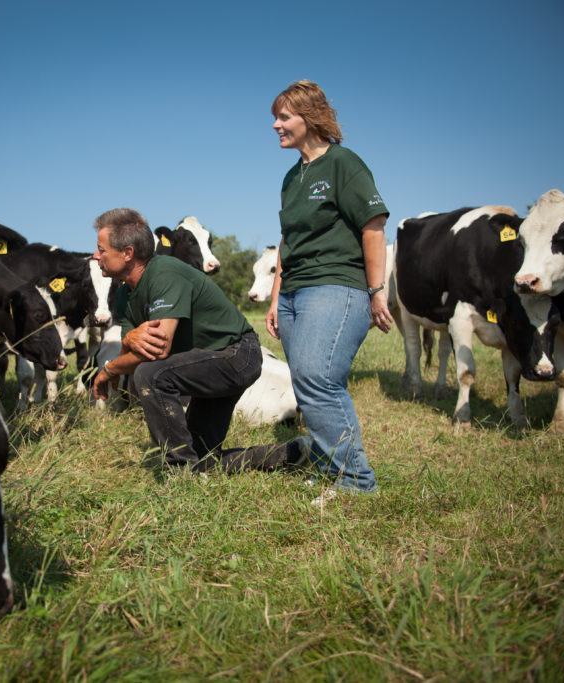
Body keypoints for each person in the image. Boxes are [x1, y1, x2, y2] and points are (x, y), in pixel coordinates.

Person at [264, 79, 392, 500]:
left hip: (336, 285)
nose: (276, 126)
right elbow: (287, 242)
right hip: (293, 293)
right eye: (275, 118)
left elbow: (373, 227)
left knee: (319, 379)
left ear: (309, 117)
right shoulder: (291, 178)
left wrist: (377, 290)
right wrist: (275, 296)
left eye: (283, 117)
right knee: (305, 384)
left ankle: (357, 482)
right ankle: (327, 469)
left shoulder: (343, 163)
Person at [90, 208, 264, 471]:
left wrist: (109, 369)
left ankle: (180, 473)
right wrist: (130, 342)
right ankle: (291, 454)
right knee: (204, 458)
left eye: (101, 249)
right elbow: (130, 348)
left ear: (127, 253)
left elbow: (157, 349)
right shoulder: (125, 293)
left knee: (152, 373)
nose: (96, 256)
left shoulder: (165, 272)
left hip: (237, 355)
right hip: (206, 359)